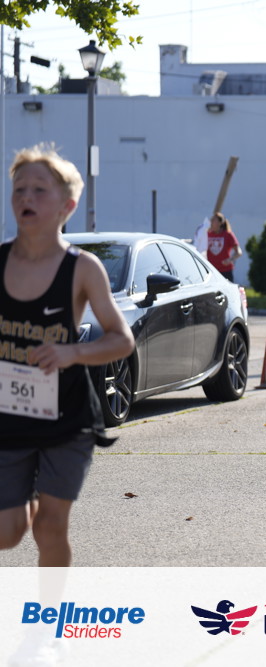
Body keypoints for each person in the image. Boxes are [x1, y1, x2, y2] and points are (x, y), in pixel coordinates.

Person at [0, 145, 135, 568]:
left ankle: (50, 607)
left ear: (67, 206)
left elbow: (122, 340)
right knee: (7, 532)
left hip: (67, 419)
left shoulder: (83, 268)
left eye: (39, 190)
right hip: (9, 416)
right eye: (19, 189)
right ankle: (25, 500)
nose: (26, 197)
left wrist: (71, 352)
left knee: (50, 527)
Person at [206, 212, 242, 282]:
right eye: (211, 220)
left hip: (225, 271)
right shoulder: (207, 234)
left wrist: (230, 259)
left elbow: (239, 252)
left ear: (220, 223)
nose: (211, 222)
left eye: (213, 220)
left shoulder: (228, 234)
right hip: (211, 271)